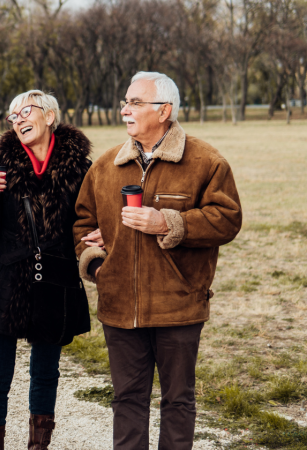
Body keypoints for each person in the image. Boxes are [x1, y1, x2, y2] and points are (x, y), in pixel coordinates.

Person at [74, 72, 242, 449]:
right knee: (127, 401)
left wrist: (168, 221)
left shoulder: (206, 162)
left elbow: (228, 219)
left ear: (164, 110)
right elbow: (82, 223)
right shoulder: (104, 167)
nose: (124, 110)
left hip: (179, 305)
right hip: (119, 307)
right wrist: (100, 266)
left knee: (178, 402)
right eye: (125, 102)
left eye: (135, 102)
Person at [0, 90, 92, 450]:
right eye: (12, 115)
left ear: (49, 116)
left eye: (25, 111)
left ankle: (38, 446)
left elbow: (88, 222)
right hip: (6, 283)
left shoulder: (81, 169)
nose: (17, 119)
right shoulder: (2, 168)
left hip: (56, 283)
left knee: (46, 374)